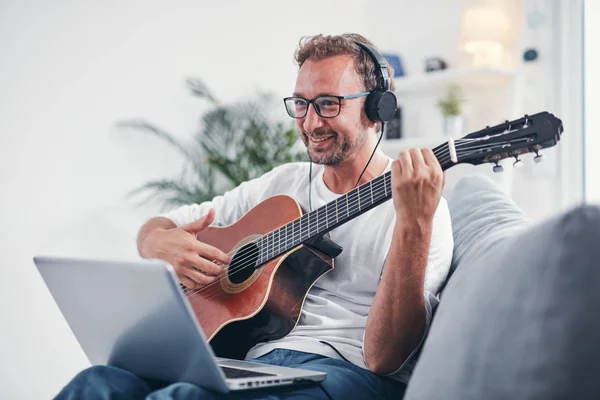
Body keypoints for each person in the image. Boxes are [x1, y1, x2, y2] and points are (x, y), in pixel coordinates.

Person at [55, 33, 453, 400]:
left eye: (329, 104)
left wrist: (413, 224)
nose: (311, 123)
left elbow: (387, 359)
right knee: (95, 383)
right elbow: (161, 225)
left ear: (376, 107)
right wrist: (157, 243)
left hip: (345, 373)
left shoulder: (419, 206)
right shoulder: (282, 184)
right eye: (301, 104)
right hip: (254, 359)